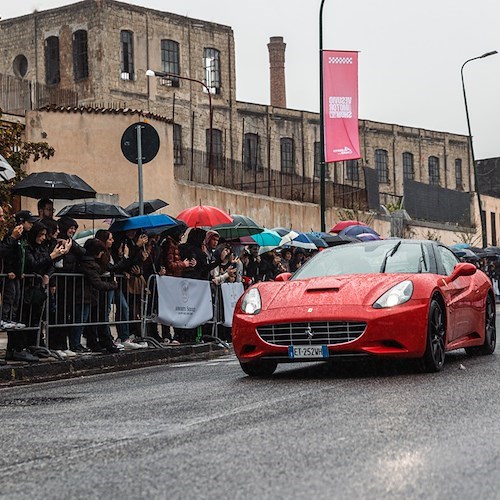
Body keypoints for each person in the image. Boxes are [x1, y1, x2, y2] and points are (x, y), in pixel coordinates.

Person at [72, 238, 119, 354]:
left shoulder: (89, 262)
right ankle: (76, 344)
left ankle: (81, 343)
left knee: (86, 320)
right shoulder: (89, 264)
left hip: (89, 295)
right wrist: (112, 285)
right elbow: (97, 282)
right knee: (81, 320)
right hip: (85, 295)